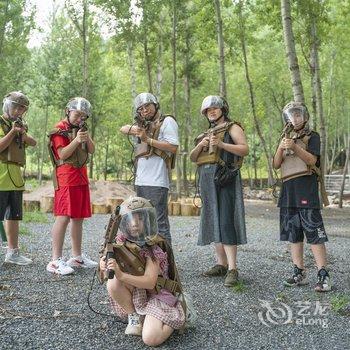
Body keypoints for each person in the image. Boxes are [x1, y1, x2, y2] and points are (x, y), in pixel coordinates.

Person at [99, 196, 186, 346]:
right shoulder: (119, 243)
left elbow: (150, 282)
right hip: (138, 294)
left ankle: (178, 316)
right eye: (130, 219)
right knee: (112, 282)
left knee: (151, 339)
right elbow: (106, 271)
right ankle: (135, 317)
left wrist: (121, 275)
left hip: (157, 295)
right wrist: (103, 264)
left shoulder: (153, 247)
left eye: (139, 219)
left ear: (147, 221)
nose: (134, 223)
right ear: (123, 223)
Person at [189, 96, 249, 287]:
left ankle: (232, 268)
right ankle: (220, 264)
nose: (212, 111)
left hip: (225, 179)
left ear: (223, 108)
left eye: (215, 108)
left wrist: (222, 145)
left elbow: (244, 149)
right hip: (208, 182)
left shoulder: (232, 127)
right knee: (215, 220)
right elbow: (192, 157)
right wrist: (201, 145)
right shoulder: (206, 133)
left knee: (225, 221)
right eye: (208, 110)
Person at [273, 101, 331, 292]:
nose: (295, 118)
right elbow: (276, 164)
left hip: (306, 188)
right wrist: (283, 146)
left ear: (305, 117)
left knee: (314, 232)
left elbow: (312, 160)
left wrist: (295, 147)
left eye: (298, 115)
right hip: (288, 190)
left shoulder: (312, 136)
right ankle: (299, 271)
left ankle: (323, 274)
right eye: (291, 115)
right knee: (293, 233)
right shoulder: (284, 137)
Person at [46, 97, 97, 275]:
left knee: (78, 217)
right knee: (64, 217)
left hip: (81, 176)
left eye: (83, 116)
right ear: (68, 111)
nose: (80, 119)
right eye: (77, 115)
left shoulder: (81, 129)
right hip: (66, 177)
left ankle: (76, 257)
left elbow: (91, 150)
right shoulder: (59, 129)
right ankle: (55, 260)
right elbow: (61, 155)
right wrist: (75, 140)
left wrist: (85, 136)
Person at [120, 93, 178, 244]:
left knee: (160, 223)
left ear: (155, 105)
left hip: (157, 181)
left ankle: (167, 263)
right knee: (144, 224)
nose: (145, 111)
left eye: (147, 106)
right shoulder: (143, 125)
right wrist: (138, 131)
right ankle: (149, 260)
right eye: (141, 109)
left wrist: (148, 140)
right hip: (141, 180)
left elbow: (173, 147)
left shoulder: (167, 121)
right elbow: (123, 128)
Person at [0, 91, 36, 265]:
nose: (18, 111)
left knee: (13, 217)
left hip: (15, 178)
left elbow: (33, 142)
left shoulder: (21, 126)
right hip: (1, 178)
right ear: (8, 105)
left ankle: (13, 253)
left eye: (22, 109)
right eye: (16, 107)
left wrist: (22, 134)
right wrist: (13, 133)